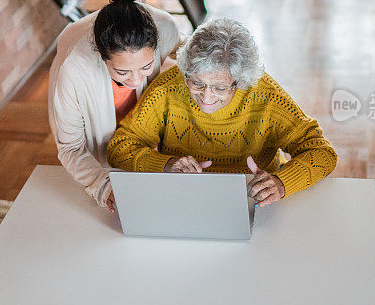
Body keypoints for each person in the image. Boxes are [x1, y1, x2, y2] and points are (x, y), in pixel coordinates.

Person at [107, 18, 337, 207]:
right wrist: (165, 164)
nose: (206, 98)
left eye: (220, 88)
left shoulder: (267, 96)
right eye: (196, 83)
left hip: (253, 197)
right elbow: (120, 146)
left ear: (241, 81)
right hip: (185, 194)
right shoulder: (168, 87)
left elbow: (322, 153)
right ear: (186, 70)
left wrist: (281, 182)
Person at [48, 0, 184, 212]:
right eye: (122, 72)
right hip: (96, 146)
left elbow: (192, 56)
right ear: (102, 57)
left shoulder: (165, 28)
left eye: (146, 66)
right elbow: (71, 148)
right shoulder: (74, 70)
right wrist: (103, 186)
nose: (135, 80)